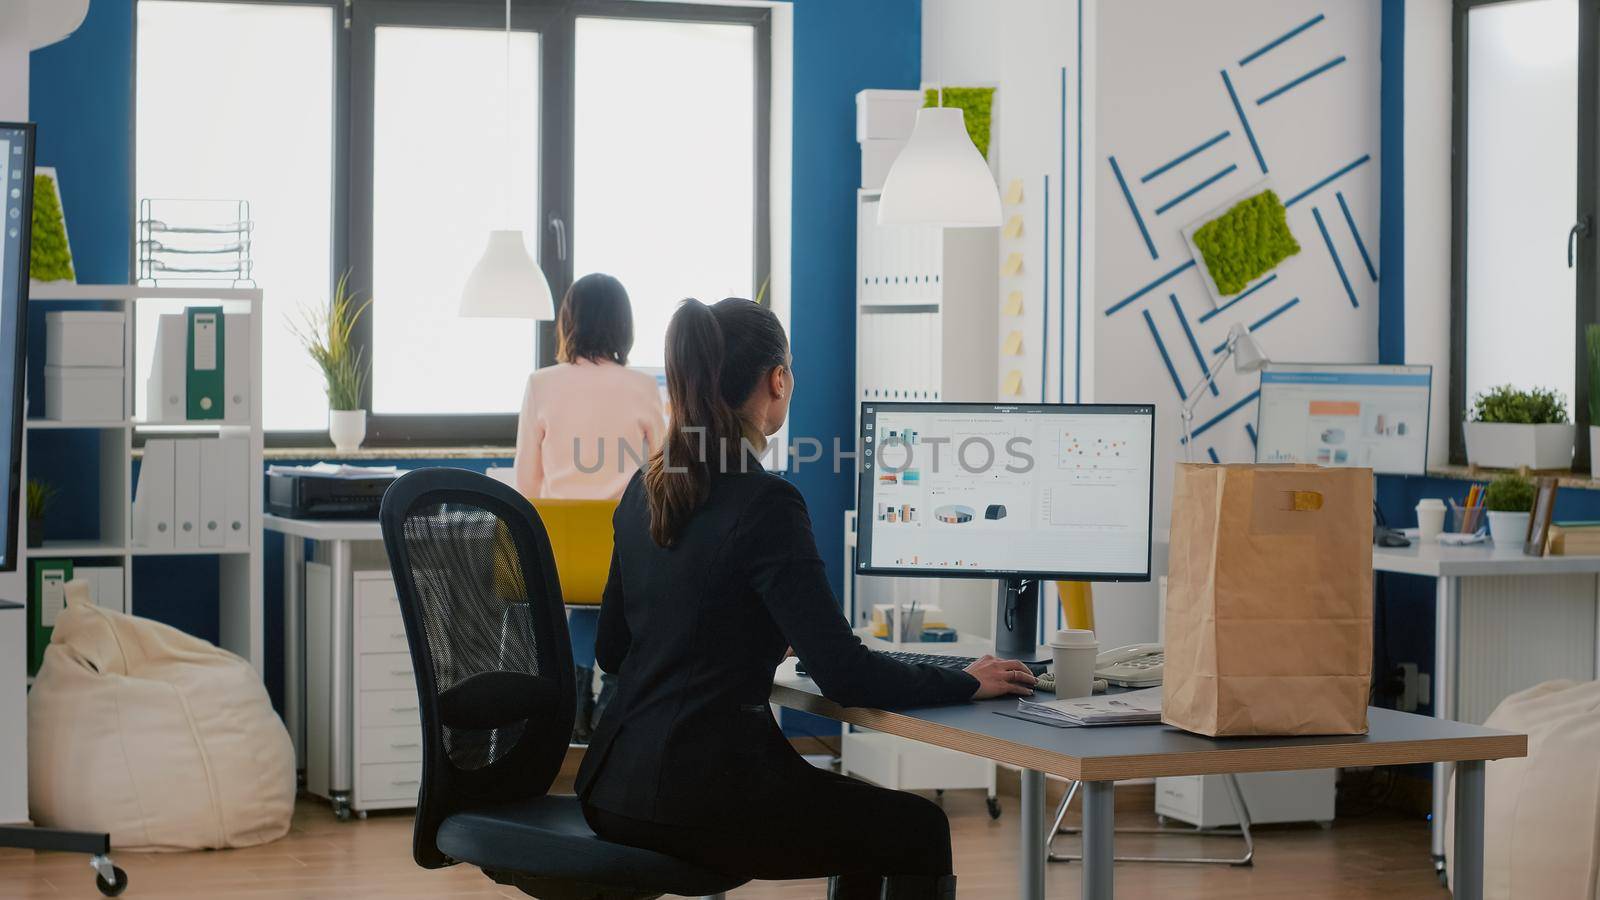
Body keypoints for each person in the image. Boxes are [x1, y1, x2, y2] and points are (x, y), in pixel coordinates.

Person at [575, 297, 1036, 900]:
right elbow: (844, 673)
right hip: (701, 803)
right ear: (778, 380)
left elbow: (614, 650)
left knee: (868, 824)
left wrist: (748, 630)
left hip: (612, 790)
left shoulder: (645, 487)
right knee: (915, 829)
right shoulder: (767, 502)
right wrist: (966, 681)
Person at [513, 272, 663, 742]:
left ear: (568, 322)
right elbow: (663, 474)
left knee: (583, 596)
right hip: (624, 559)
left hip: (559, 561)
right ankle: (614, 691)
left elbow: (527, 484)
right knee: (623, 583)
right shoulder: (641, 387)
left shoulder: (540, 384)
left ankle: (574, 695)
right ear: (624, 326)